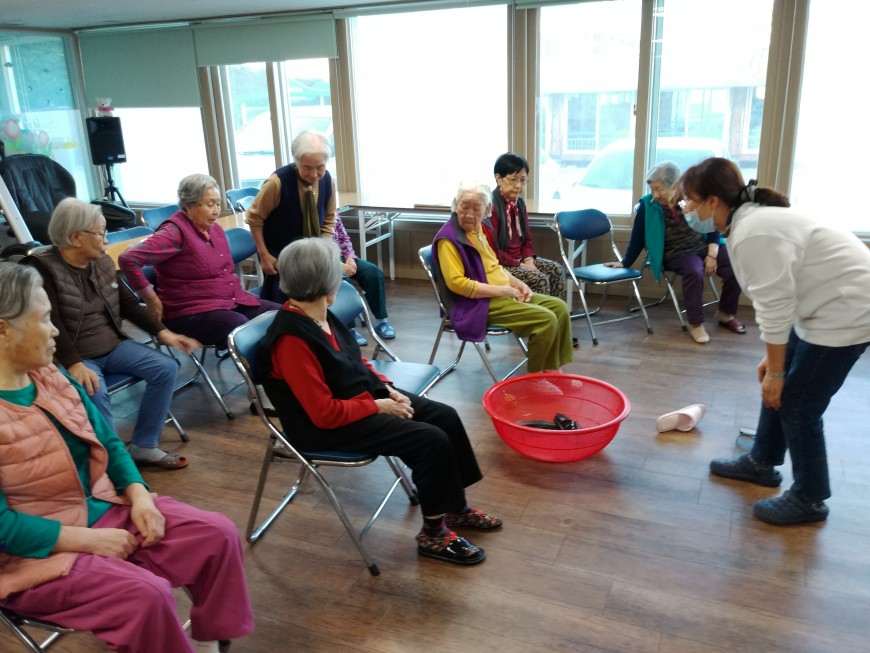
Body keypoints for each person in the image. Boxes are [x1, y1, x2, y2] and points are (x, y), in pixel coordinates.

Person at [0, 263, 253, 653]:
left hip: (103, 509)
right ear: (3, 329)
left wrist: (139, 495)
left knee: (216, 534)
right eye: (45, 319)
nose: (55, 331)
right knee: (145, 595)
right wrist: (88, 541)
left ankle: (216, 640)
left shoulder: (50, 376)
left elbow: (109, 443)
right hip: (30, 555)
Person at [257, 237, 500, 566]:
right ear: (323, 282)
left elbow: (355, 360)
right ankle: (433, 534)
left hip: (355, 398)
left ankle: (454, 507)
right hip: (323, 427)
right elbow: (323, 414)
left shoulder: (319, 314)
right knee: (429, 440)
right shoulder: (291, 339)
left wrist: (386, 388)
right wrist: (380, 406)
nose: (341, 275)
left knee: (445, 416)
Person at [680, 157, 870, 525]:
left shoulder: (753, 232)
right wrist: (775, 365)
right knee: (777, 384)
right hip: (825, 303)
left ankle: (810, 498)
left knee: (798, 403)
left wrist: (779, 371)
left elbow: (774, 307)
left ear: (713, 201)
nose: (687, 209)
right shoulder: (750, 222)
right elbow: (783, 296)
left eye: (690, 200)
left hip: (848, 310)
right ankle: (762, 461)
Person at [24, 198, 200, 470]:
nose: (106, 239)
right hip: (73, 355)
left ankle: (144, 445)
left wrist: (164, 333)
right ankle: (111, 464)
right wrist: (75, 363)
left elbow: (128, 304)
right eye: (100, 233)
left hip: (111, 344)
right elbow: (50, 322)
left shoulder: (101, 261)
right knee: (93, 388)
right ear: (76, 237)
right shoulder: (41, 269)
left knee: (165, 368)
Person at [119, 174, 282, 349]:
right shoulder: (174, 232)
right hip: (190, 311)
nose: (216, 210)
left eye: (218, 204)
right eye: (210, 204)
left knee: (284, 315)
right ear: (189, 206)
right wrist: (151, 298)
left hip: (229, 300)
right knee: (242, 330)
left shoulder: (214, 229)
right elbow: (128, 258)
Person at [433, 181, 574, 374]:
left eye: (476, 209)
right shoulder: (449, 239)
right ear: (455, 205)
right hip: (475, 304)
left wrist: (517, 283)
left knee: (560, 308)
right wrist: (503, 290)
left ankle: (553, 368)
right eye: (464, 207)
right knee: (546, 319)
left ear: (487, 210)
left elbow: (494, 266)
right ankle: (536, 378)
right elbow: (457, 284)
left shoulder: (481, 229)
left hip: (500, 294)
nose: (469, 215)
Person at [604, 161, 744, 344]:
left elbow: (713, 225)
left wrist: (712, 255)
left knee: (735, 266)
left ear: (676, 185)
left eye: (659, 189)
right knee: (694, 271)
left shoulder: (693, 198)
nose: (655, 194)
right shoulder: (648, 205)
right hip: (675, 252)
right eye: (652, 189)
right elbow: (638, 236)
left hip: (703, 246)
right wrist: (625, 262)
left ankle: (725, 313)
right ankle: (696, 324)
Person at [245, 130, 337, 304]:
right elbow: (254, 218)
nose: (314, 174)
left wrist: (323, 251)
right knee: (284, 303)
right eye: (307, 168)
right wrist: (264, 255)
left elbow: (329, 218)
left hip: (312, 255)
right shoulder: (277, 182)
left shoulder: (328, 181)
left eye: (320, 167)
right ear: (297, 161)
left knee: (315, 302)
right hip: (279, 255)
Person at [489, 152, 567, 301]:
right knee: (540, 278)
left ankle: (557, 312)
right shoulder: (491, 206)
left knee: (557, 270)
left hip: (520, 260)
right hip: (502, 264)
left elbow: (526, 239)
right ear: (498, 178)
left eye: (523, 180)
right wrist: (522, 265)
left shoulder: (519, 203)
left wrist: (528, 260)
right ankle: (540, 314)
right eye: (513, 180)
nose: (518, 186)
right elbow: (493, 250)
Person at [333, 214, 396, 346]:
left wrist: (350, 258)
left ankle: (382, 321)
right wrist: (338, 264)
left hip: (343, 257)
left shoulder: (334, 213)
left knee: (373, 273)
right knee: (344, 280)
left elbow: (344, 238)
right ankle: (348, 329)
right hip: (326, 261)